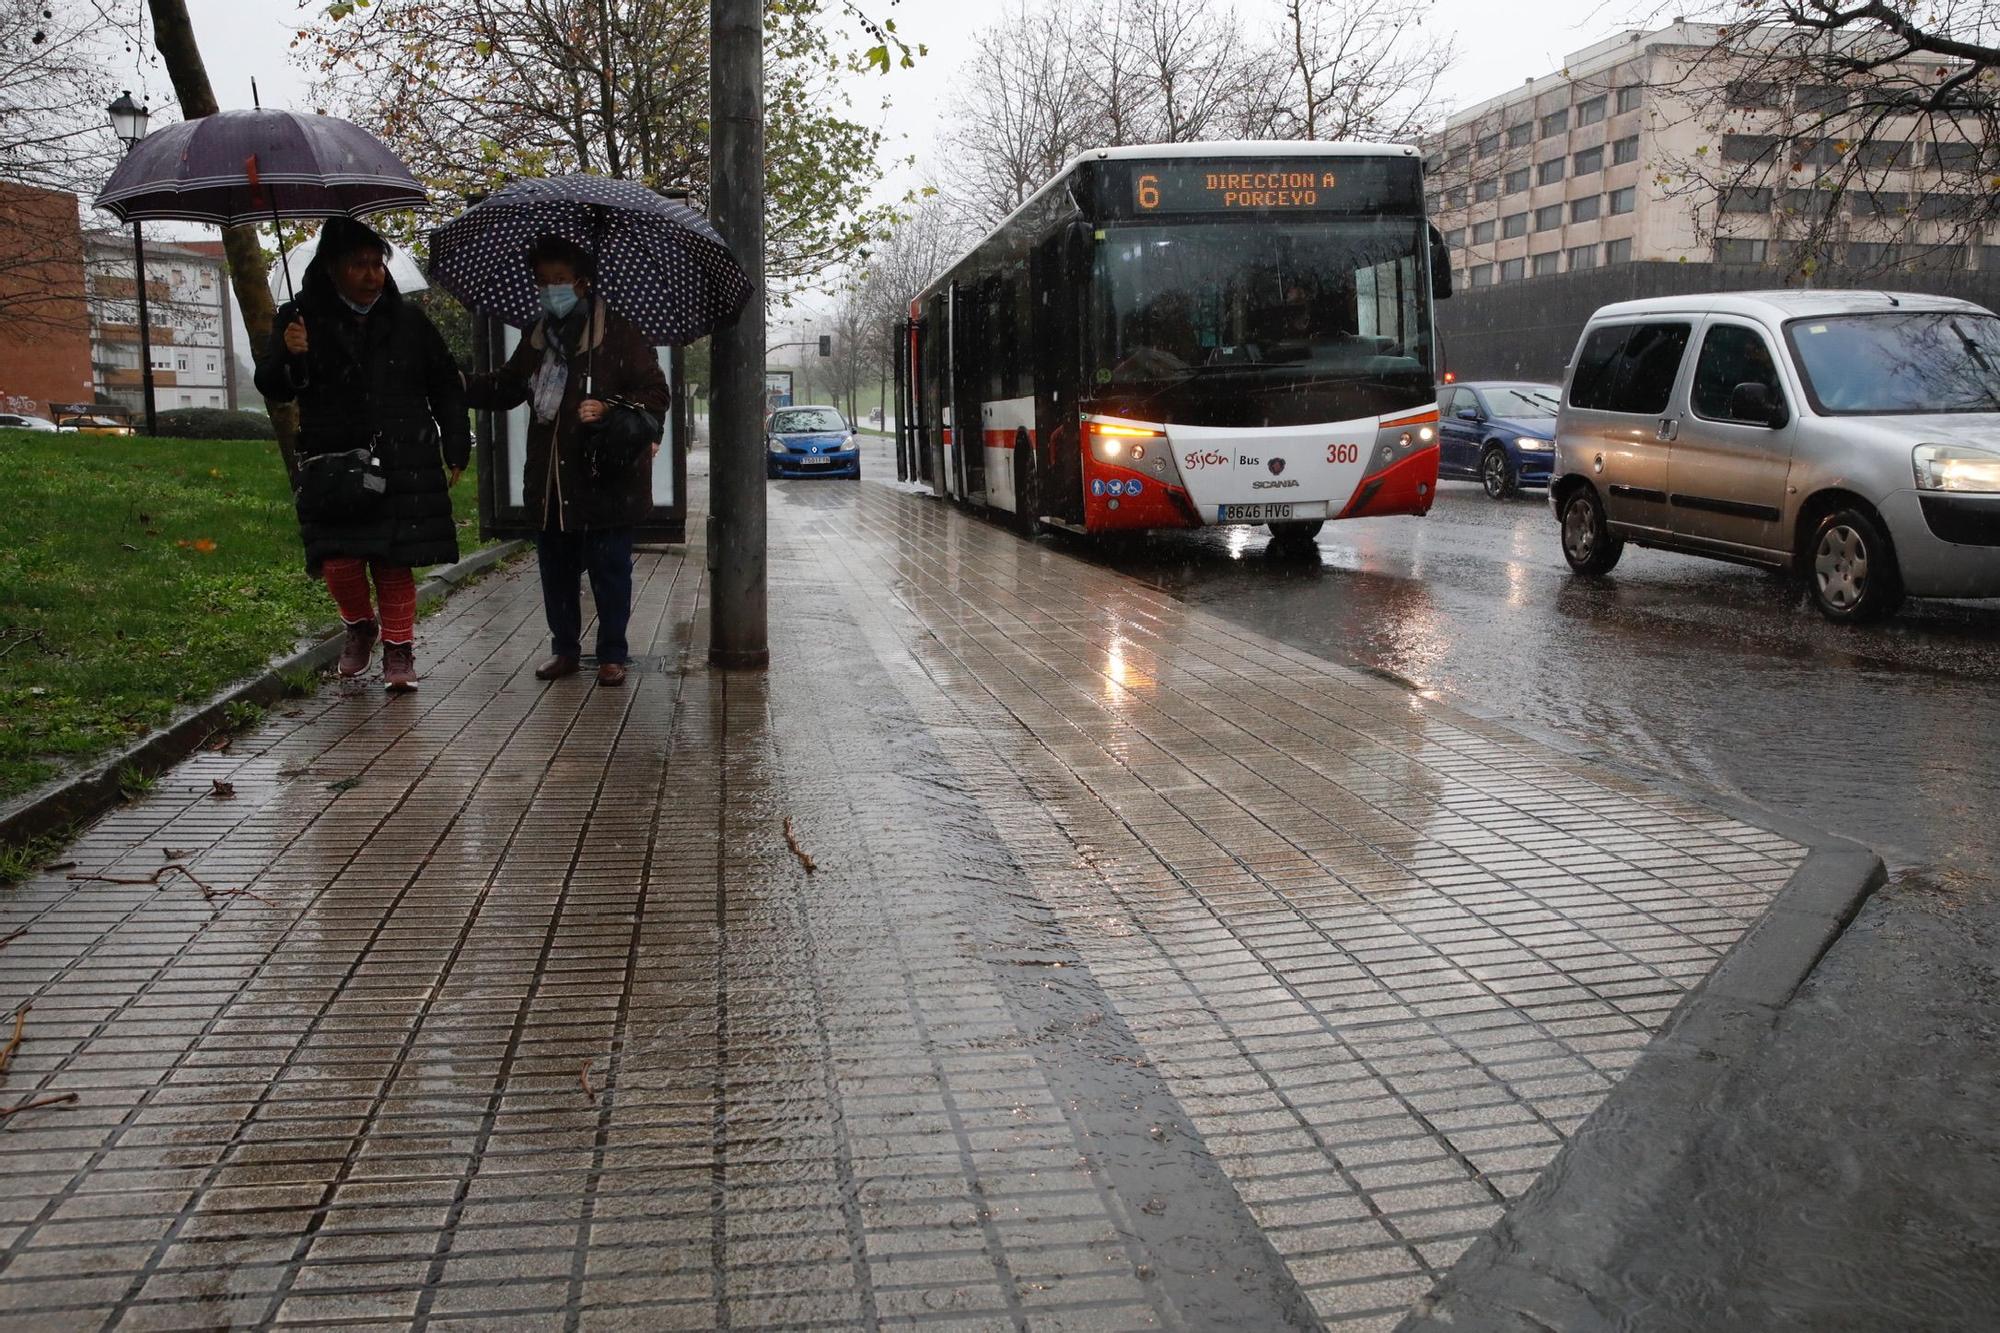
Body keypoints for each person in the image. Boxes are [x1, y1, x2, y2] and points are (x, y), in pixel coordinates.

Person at [253, 217, 468, 692]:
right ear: (332, 268)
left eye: (378, 264)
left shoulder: (408, 320)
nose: (373, 275)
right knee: (340, 562)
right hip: (334, 464)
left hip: (402, 457)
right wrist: (291, 355)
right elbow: (273, 385)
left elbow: (445, 383)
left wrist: (456, 441)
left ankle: (398, 649)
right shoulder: (299, 317)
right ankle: (359, 625)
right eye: (360, 265)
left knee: (393, 562)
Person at [463, 235, 668, 686]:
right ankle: (565, 650)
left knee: (609, 571)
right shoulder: (537, 338)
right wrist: (456, 383)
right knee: (555, 572)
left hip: (605, 479)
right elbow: (507, 387)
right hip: (551, 482)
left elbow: (656, 394)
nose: (549, 289)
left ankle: (613, 653)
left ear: (581, 283)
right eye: (542, 281)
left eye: (558, 280)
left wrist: (609, 406)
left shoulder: (618, 332)